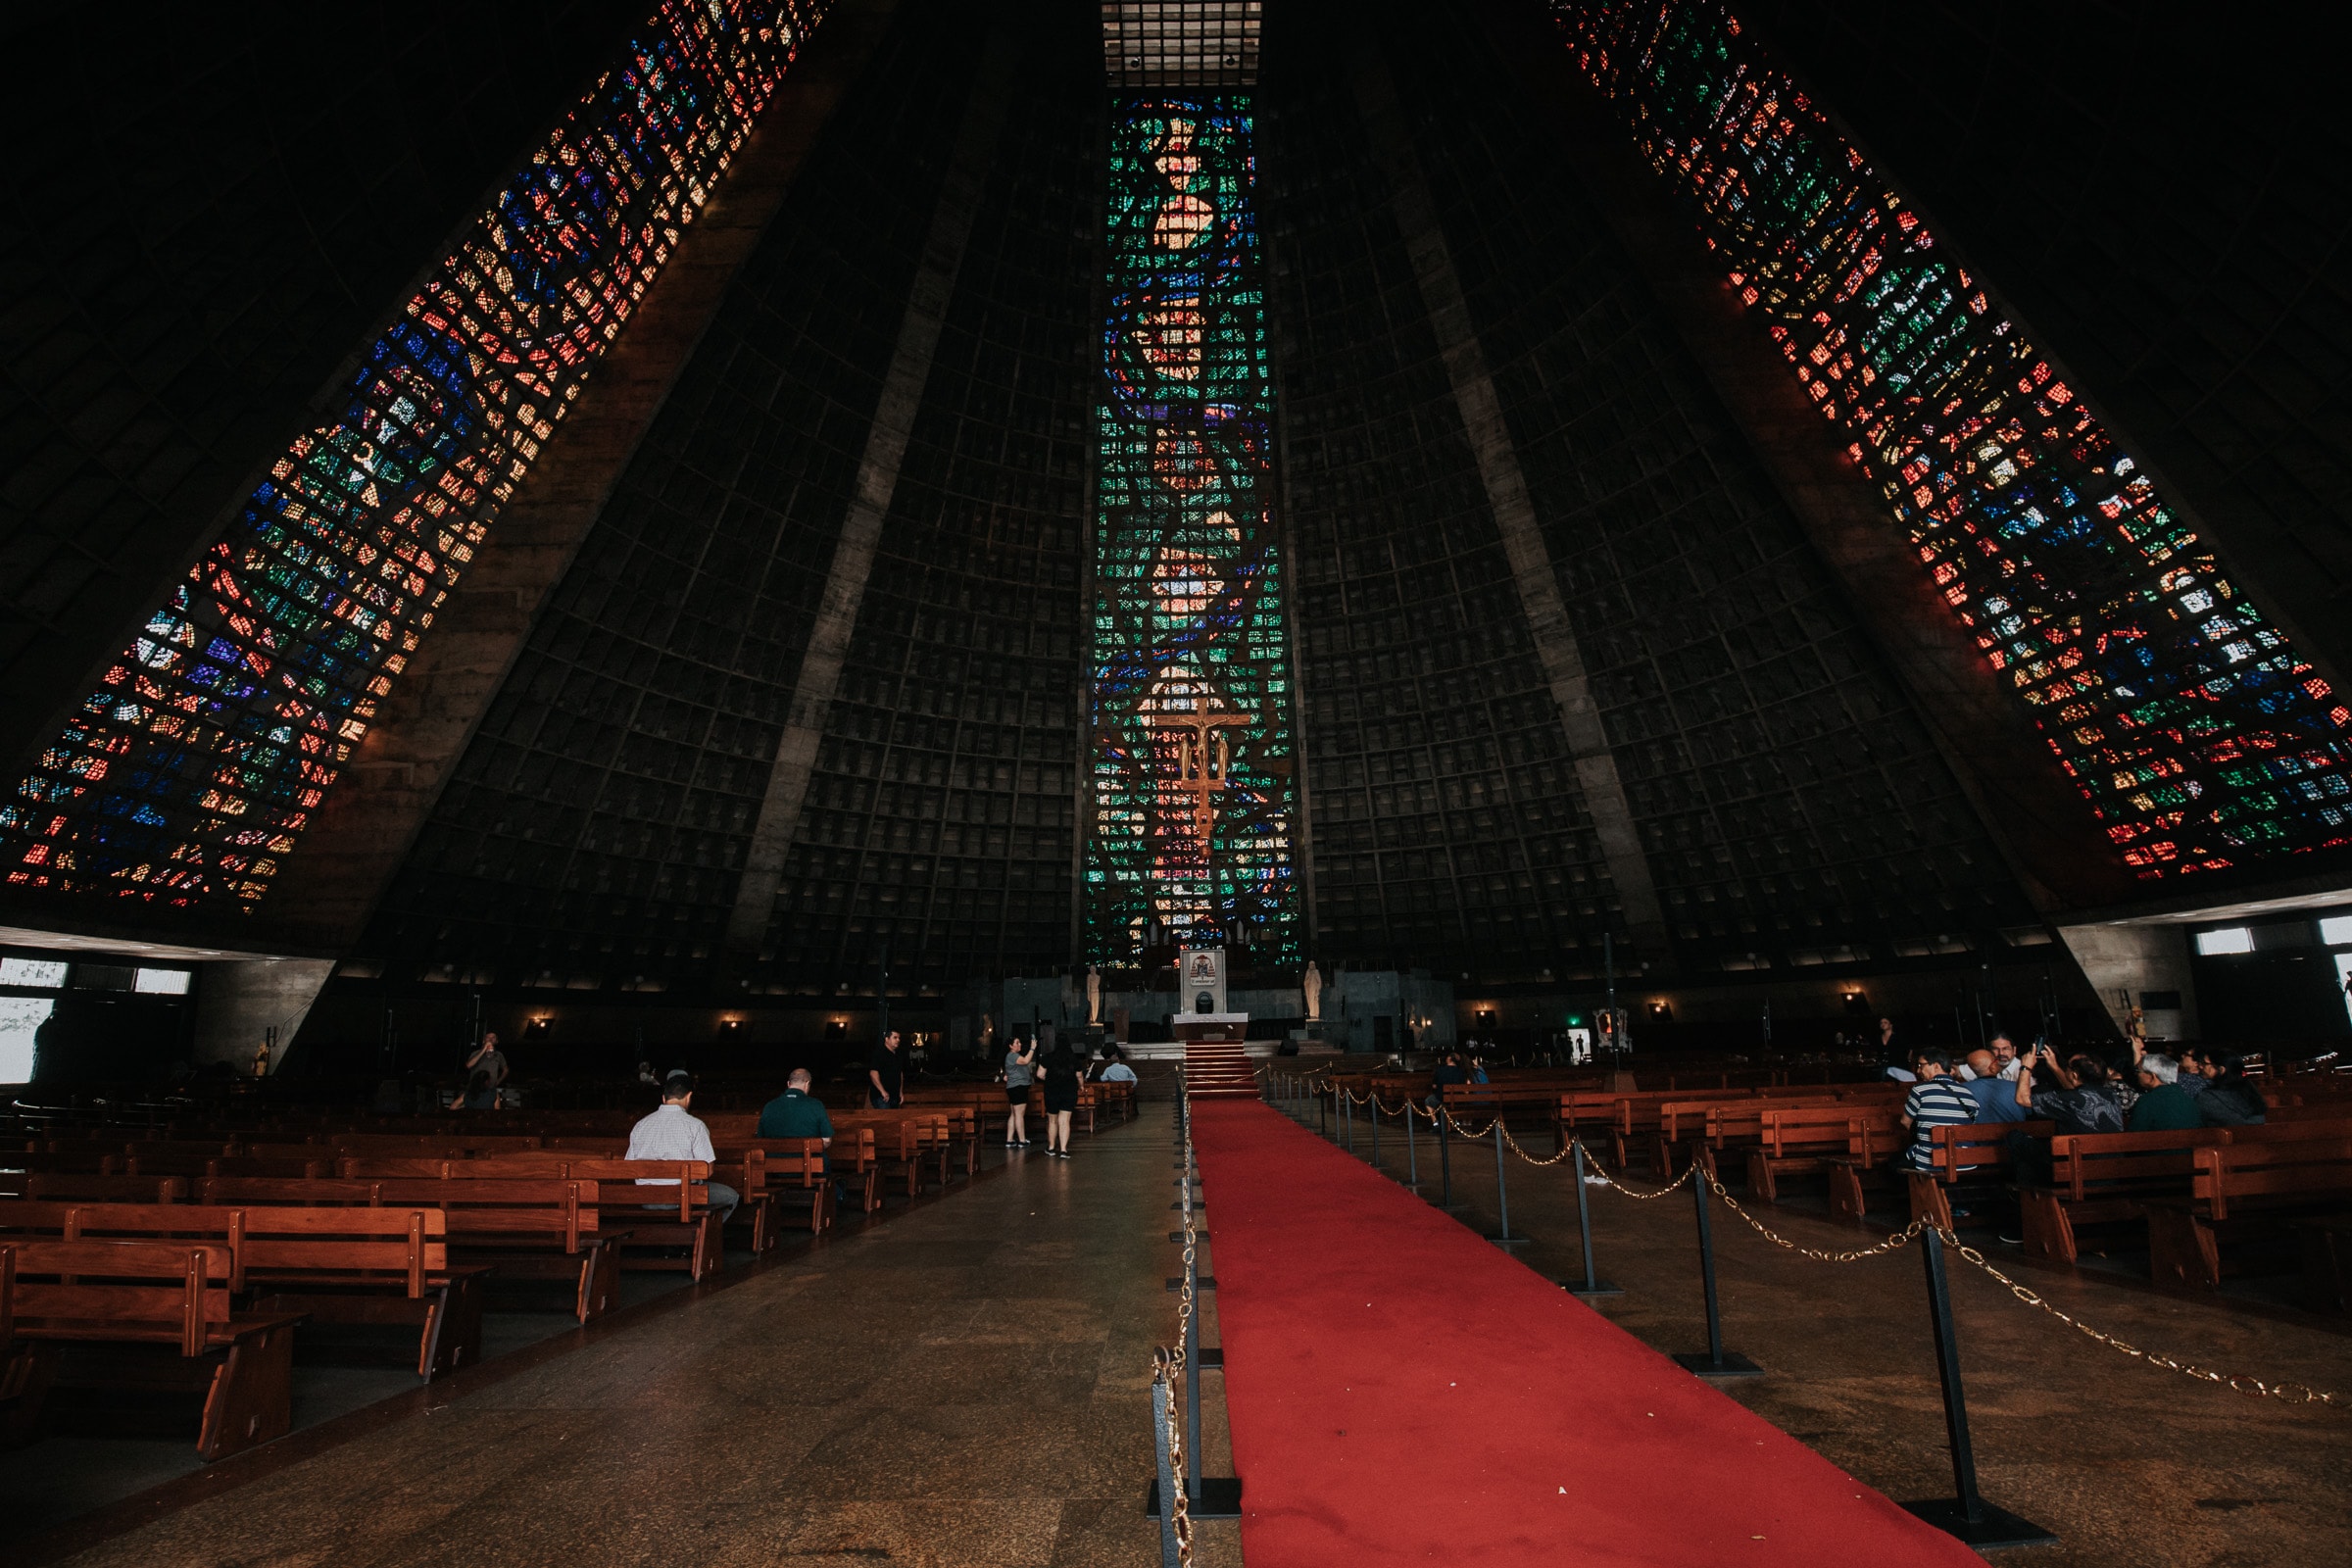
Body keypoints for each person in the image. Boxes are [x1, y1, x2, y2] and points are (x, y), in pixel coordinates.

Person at [625, 1070, 737, 1224]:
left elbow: (629, 1166)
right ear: (689, 1096)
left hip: (646, 1199)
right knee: (731, 1196)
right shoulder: (695, 1126)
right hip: (680, 1197)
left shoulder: (641, 1125)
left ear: (664, 1098)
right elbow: (707, 1170)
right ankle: (700, 1235)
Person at [2011, 1044, 2125, 1135]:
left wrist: (2026, 1067)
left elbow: (2022, 1099)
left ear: (2074, 1075)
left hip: (2077, 1161)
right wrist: (2054, 1066)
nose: (2065, 1068)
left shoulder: (2069, 1098)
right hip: (2111, 1160)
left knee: (2015, 1137)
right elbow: (2076, 1092)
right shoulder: (2112, 1095)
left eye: (2067, 1066)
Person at [1898, 1050, 1979, 1171]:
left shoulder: (1920, 1090)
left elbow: (1905, 1122)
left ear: (1936, 1066)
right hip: (1966, 1162)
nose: (1918, 1070)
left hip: (1931, 1162)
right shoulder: (1967, 1093)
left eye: (1921, 1065)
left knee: (1893, 1165)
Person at [758, 1067, 834, 1147]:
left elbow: (761, 1138)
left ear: (788, 1084)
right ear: (807, 1084)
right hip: (808, 1158)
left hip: (773, 1158)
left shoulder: (769, 1106)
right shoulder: (816, 1105)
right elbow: (827, 1140)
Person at [2128, 1054, 2201, 1131]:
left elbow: (2135, 1135)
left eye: (2138, 1071)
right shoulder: (2188, 1099)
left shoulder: (2147, 1101)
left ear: (2152, 1076)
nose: (2137, 1074)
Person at [1038, 1038, 1082, 1157]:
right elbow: (1079, 1076)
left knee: (1052, 1121)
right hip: (1069, 1092)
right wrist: (1081, 1086)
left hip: (1052, 1092)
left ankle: (1051, 1148)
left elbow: (1039, 1074)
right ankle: (1063, 1150)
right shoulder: (1073, 1058)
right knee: (1064, 1121)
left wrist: (1051, 1079)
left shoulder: (1048, 1057)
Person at [2197, 1054, 2268, 1126]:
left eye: (2205, 1064)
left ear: (2221, 1070)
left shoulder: (2208, 1098)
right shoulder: (2249, 1090)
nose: (2200, 1066)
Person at [1961, 1049, 2027, 1124]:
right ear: (1993, 1066)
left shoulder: (1961, 1090)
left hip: (1977, 1134)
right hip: (2016, 1133)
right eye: (1996, 1060)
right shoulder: (2017, 1087)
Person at [1003, 1035, 1038, 1147]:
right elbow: (1026, 1060)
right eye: (1017, 1043)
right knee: (1019, 1114)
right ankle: (1022, 1140)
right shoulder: (1012, 1056)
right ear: (1011, 1046)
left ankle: (1010, 1139)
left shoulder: (1012, 1056)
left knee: (1013, 1114)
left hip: (1014, 1087)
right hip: (1018, 1087)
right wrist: (1032, 1048)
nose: (1020, 1044)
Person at [463, 1032, 508, 1109]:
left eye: (493, 1037)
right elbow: (468, 1065)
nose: (490, 1039)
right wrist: (483, 1050)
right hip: (475, 1089)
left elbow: (505, 1069)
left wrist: (498, 1081)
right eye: (488, 1037)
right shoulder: (475, 1053)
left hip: (490, 1089)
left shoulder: (498, 1055)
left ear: (496, 1041)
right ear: (484, 1041)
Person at [867, 1029, 905, 1109]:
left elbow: (900, 1074)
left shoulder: (897, 1055)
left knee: (895, 1120)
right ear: (887, 1039)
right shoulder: (879, 1053)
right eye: (895, 1037)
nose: (898, 1040)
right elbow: (873, 1073)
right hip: (882, 1097)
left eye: (899, 1038)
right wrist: (882, 1091)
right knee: (886, 1120)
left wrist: (900, 1092)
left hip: (894, 1096)